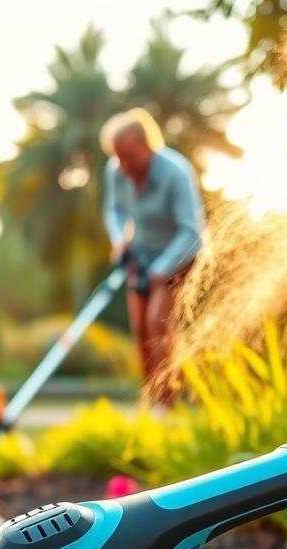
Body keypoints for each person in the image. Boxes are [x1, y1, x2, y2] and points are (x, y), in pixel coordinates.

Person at [100, 108, 203, 408]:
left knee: (157, 326)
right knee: (141, 331)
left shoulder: (176, 172)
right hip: (141, 254)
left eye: (128, 157)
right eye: (117, 157)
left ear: (147, 146)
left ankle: (168, 405)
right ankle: (153, 403)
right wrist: (119, 241)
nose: (123, 166)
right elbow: (114, 210)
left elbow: (191, 231)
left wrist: (161, 270)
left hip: (180, 256)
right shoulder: (116, 169)